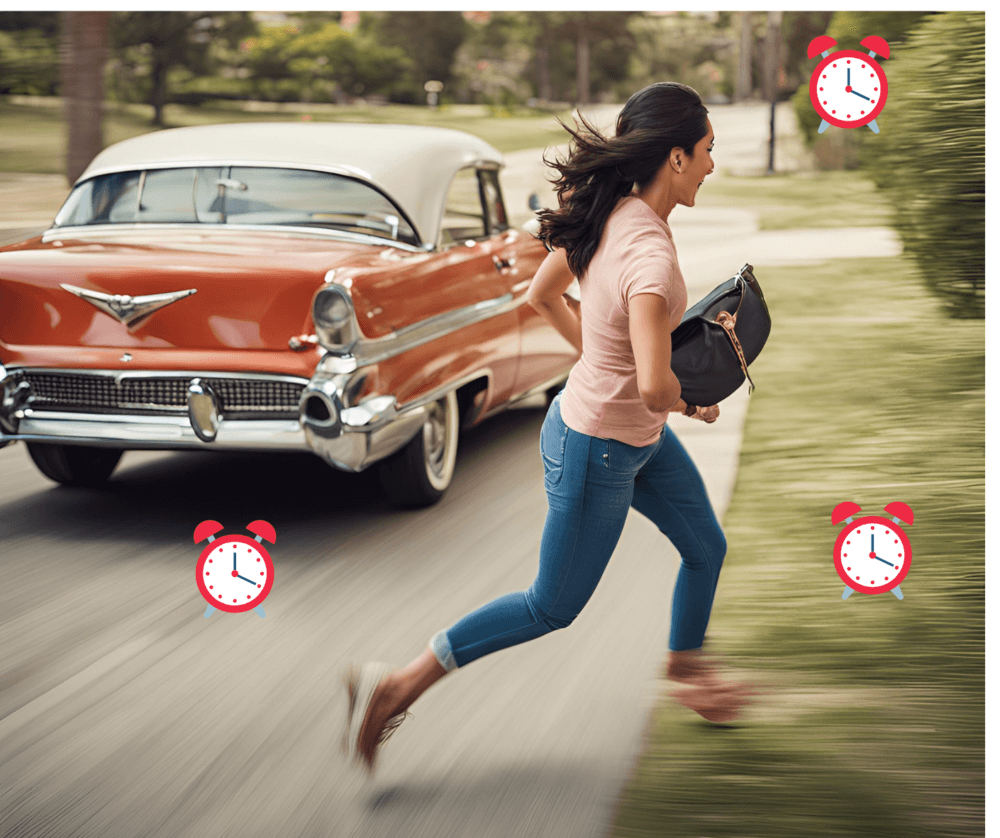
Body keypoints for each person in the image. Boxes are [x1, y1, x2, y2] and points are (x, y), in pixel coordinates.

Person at [344, 82, 748, 775]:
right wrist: (692, 402)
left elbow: (541, 295)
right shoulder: (648, 258)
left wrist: (608, 361)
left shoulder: (614, 211)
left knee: (705, 547)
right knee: (550, 605)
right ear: (675, 157)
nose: (713, 164)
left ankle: (684, 669)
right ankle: (398, 683)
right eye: (708, 151)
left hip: (623, 435)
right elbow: (655, 385)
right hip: (598, 449)